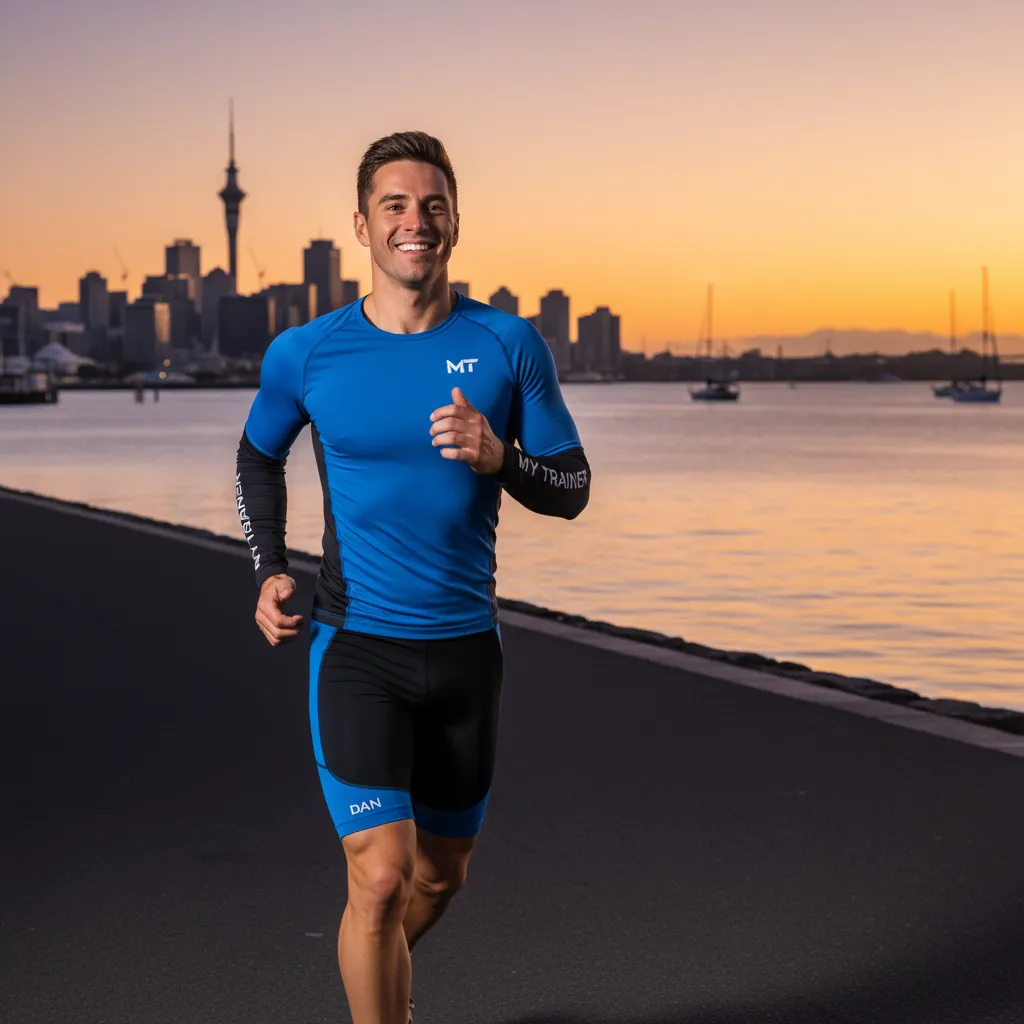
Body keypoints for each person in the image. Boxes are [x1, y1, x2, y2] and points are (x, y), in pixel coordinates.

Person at [235, 130, 591, 1024]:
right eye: (394, 205)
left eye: (432, 205)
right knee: (382, 878)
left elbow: (573, 488)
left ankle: (372, 967)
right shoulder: (307, 353)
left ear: (456, 223)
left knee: (438, 877)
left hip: (468, 656)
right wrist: (270, 570)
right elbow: (256, 460)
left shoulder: (509, 344)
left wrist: (499, 455)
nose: (414, 222)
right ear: (362, 225)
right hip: (357, 649)